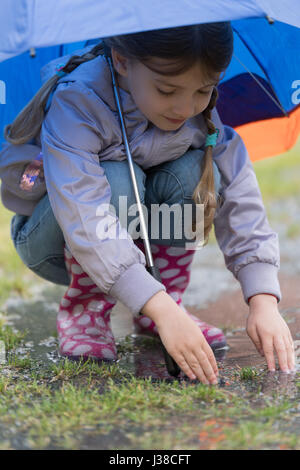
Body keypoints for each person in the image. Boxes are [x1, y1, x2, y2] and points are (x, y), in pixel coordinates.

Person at [0, 23, 295, 385]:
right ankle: (86, 311)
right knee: (119, 180)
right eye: (167, 90)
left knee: (200, 175)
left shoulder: (200, 115)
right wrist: (161, 309)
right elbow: (85, 217)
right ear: (122, 61)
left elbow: (241, 204)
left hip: (135, 241)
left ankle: (162, 303)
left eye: (204, 89)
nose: (186, 107)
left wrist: (262, 299)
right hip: (58, 238)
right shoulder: (76, 103)